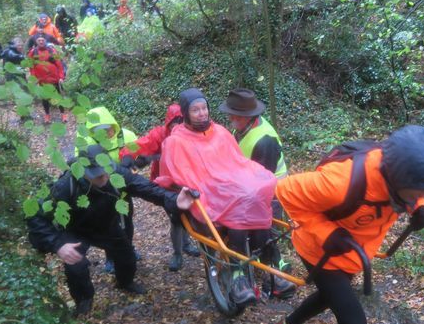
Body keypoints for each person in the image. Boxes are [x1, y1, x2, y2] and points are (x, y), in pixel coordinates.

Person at [271, 125, 424, 324]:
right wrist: (327, 234)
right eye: (421, 191)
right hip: (320, 250)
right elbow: (284, 190)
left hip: (354, 251)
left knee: (329, 296)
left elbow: (414, 194)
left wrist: (419, 207)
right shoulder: (342, 182)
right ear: (396, 179)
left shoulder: (400, 179)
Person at [27, 144, 194, 317]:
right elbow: (35, 216)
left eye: (106, 171)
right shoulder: (65, 185)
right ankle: (84, 300)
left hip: (106, 226)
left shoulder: (116, 173)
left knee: (127, 257)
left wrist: (174, 199)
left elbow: (145, 188)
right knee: (75, 266)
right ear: (83, 171)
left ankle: (124, 282)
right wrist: (58, 245)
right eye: (98, 176)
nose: (105, 177)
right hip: (75, 230)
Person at [156, 88, 276, 307]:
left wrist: (251, 181)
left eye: (204, 108)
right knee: (237, 212)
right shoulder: (176, 141)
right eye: (195, 110)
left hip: (228, 186)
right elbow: (177, 174)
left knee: (254, 196)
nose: (202, 113)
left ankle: (271, 268)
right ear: (185, 113)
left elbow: (239, 163)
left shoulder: (221, 132)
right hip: (204, 193)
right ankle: (238, 276)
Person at [219, 88, 295, 298]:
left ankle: (270, 273)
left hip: (270, 192)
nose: (230, 118)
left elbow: (263, 180)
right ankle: (265, 268)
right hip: (248, 189)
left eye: (234, 115)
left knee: (262, 229)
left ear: (248, 116)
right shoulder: (241, 129)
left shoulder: (265, 140)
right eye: (230, 113)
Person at [119, 104, 200, 271]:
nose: (177, 126)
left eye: (181, 122)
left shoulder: (192, 133)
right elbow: (139, 146)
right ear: (168, 122)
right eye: (174, 123)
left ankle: (185, 243)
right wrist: (127, 156)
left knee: (189, 214)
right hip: (167, 184)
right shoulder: (160, 135)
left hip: (188, 180)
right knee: (177, 218)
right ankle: (177, 253)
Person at [77, 106, 139, 272]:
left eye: (108, 129)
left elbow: (138, 151)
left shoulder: (125, 136)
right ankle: (110, 257)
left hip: (122, 188)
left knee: (127, 219)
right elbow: (80, 166)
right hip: (102, 190)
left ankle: (129, 249)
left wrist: (132, 161)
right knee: (108, 224)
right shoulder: (85, 142)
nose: (106, 134)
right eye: (101, 131)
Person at [27, 35, 66, 124]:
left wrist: (61, 77)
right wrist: (34, 78)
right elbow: (31, 67)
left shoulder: (52, 50)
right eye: (39, 40)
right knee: (45, 98)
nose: (41, 42)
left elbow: (59, 64)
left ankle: (63, 114)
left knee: (58, 96)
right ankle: (47, 115)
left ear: (45, 41)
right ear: (36, 42)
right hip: (42, 80)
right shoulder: (33, 52)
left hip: (54, 79)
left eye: (42, 40)